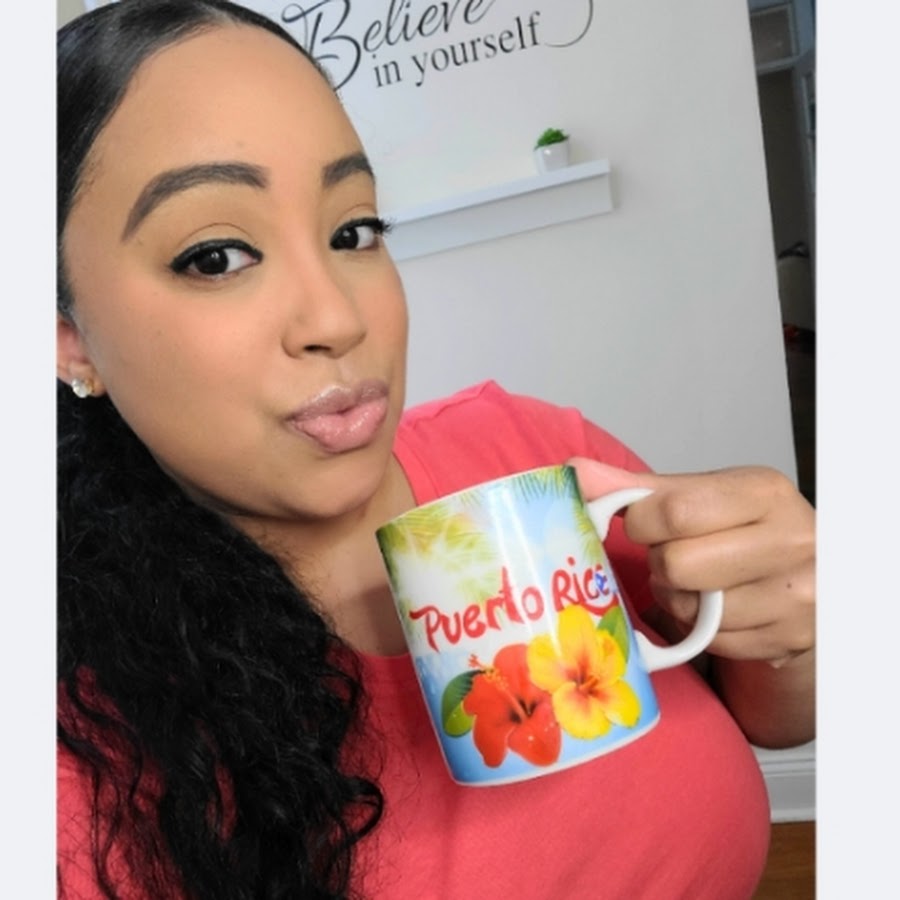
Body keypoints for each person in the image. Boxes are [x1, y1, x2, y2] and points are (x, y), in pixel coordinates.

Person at [56, 2, 815, 898]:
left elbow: (774, 720)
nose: (338, 317)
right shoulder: (71, 767)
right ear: (68, 339)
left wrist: (787, 629)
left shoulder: (537, 453)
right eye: (217, 256)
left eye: (354, 232)